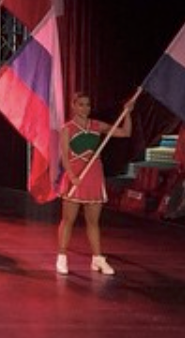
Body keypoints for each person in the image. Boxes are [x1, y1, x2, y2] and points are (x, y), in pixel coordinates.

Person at [56, 91, 134, 276]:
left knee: (93, 222)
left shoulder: (97, 125)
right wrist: (72, 176)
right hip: (76, 175)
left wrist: (127, 112)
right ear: (73, 106)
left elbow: (125, 132)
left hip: (94, 175)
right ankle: (61, 256)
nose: (85, 108)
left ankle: (97, 258)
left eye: (88, 105)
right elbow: (65, 156)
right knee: (68, 220)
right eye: (81, 104)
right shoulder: (67, 128)